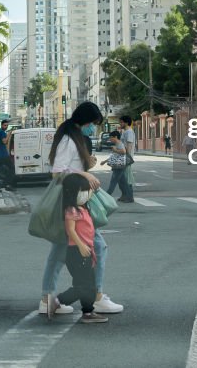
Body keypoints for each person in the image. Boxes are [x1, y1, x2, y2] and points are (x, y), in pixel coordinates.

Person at [38, 101, 123, 316]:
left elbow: (69, 167)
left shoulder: (73, 137)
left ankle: (47, 299)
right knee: (98, 247)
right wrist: (84, 174)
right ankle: (96, 297)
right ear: (84, 121)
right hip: (71, 203)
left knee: (59, 251)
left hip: (74, 202)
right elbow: (58, 173)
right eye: (93, 123)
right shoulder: (68, 140)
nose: (93, 128)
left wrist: (86, 166)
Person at [46, 173, 108, 324]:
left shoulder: (83, 207)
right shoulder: (71, 210)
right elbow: (70, 231)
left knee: (90, 285)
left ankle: (88, 312)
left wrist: (92, 184)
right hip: (76, 252)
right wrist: (81, 246)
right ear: (72, 192)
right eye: (83, 191)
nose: (86, 194)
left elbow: (93, 190)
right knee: (83, 286)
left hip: (86, 251)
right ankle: (57, 300)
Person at [105, 130, 134, 203]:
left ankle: (106, 196)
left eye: (111, 137)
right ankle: (129, 197)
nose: (110, 139)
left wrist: (115, 150)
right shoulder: (117, 144)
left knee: (113, 181)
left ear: (116, 137)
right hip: (118, 165)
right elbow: (115, 156)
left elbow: (123, 152)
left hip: (119, 165)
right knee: (123, 182)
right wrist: (105, 161)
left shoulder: (119, 143)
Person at [0, 119, 15, 190]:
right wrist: (9, 134)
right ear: (1, 125)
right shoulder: (2, 132)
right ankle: (7, 185)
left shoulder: (0, 132)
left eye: (7, 125)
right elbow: (4, 141)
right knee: (12, 168)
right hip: (2, 156)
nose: (6, 126)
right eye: (5, 125)